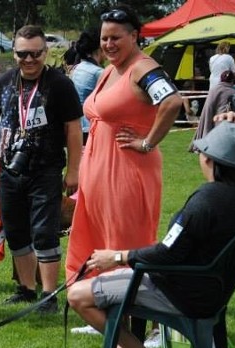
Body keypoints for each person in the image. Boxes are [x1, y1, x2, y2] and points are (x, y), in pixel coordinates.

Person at [68, 117, 235, 348]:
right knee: (115, 281)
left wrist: (116, 256)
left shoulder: (206, 200)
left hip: (179, 291)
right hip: (214, 290)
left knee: (78, 295)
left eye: (202, 153)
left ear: (212, 161)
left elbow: (165, 253)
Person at [0, 25, 83, 313]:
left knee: (44, 232)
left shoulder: (60, 85)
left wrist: (73, 171)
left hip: (46, 169)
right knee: (17, 232)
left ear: (45, 52)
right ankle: (26, 289)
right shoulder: (4, 82)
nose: (29, 60)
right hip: (10, 170)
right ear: (13, 53)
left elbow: (73, 129)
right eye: (22, 54)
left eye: (35, 54)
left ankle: (48, 296)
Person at [65, 6, 183, 282]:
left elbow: (172, 101)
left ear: (134, 36)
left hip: (126, 174)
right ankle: (102, 309)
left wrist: (147, 143)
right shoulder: (110, 70)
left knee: (124, 241)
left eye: (116, 37)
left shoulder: (142, 67)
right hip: (98, 175)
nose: (108, 44)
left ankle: (134, 316)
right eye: (105, 38)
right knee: (97, 240)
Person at [69, 29, 103, 147]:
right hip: (92, 126)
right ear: (99, 49)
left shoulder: (77, 67)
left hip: (77, 122)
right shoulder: (98, 72)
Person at [191, 70, 235, 146]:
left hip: (214, 117)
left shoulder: (214, 90)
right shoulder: (234, 92)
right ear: (232, 80)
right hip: (225, 120)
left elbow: (208, 107)